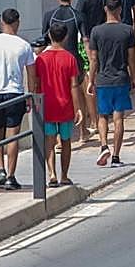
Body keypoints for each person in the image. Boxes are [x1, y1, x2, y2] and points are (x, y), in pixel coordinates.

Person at [0, 8, 36, 191]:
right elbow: (31, 74)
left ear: (2, 22)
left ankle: (1, 170)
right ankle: (11, 176)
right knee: (13, 136)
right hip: (15, 93)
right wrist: (31, 95)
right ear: (17, 23)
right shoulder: (24, 45)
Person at [87, 0, 135, 167]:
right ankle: (116, 157)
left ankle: (103, 146)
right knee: (119, 118)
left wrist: (91, 80)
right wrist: (133, 77)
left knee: (102, 116)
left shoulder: (96, 31)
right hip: (121, 78)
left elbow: (93, 59)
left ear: (105, 9)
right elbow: (131, 57)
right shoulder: (127, 30)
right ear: (121, 9)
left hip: (103, 79)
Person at [35, 23, 80, 186]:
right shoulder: (70, 58)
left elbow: (36, 83)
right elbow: (74, 85)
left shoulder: (41, 59)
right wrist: (78, 108)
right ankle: (64, 175)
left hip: (47, 105)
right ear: (66, 37)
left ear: (49, 36)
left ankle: (52, 174)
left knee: (49, 140)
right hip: (65, 106)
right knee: (66, 140)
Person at [72, 0, 105, 140]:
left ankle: (94, 122)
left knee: (88, 82)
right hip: (103, 39)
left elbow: (78, 20)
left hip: (87, 41)